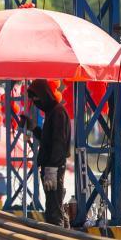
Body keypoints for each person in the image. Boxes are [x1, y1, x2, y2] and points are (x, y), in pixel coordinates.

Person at [19, 79, 71, 227]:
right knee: (54, 206)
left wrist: (52, 169)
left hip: (53, 167)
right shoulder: (51, 113)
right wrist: (34, 128)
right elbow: (47, 140)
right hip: (50, 166)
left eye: (37, 98)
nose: (36, 102)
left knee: (54, 211)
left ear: (45, 95)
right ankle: (65, 236)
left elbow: (58, 143)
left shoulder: (58, 113)